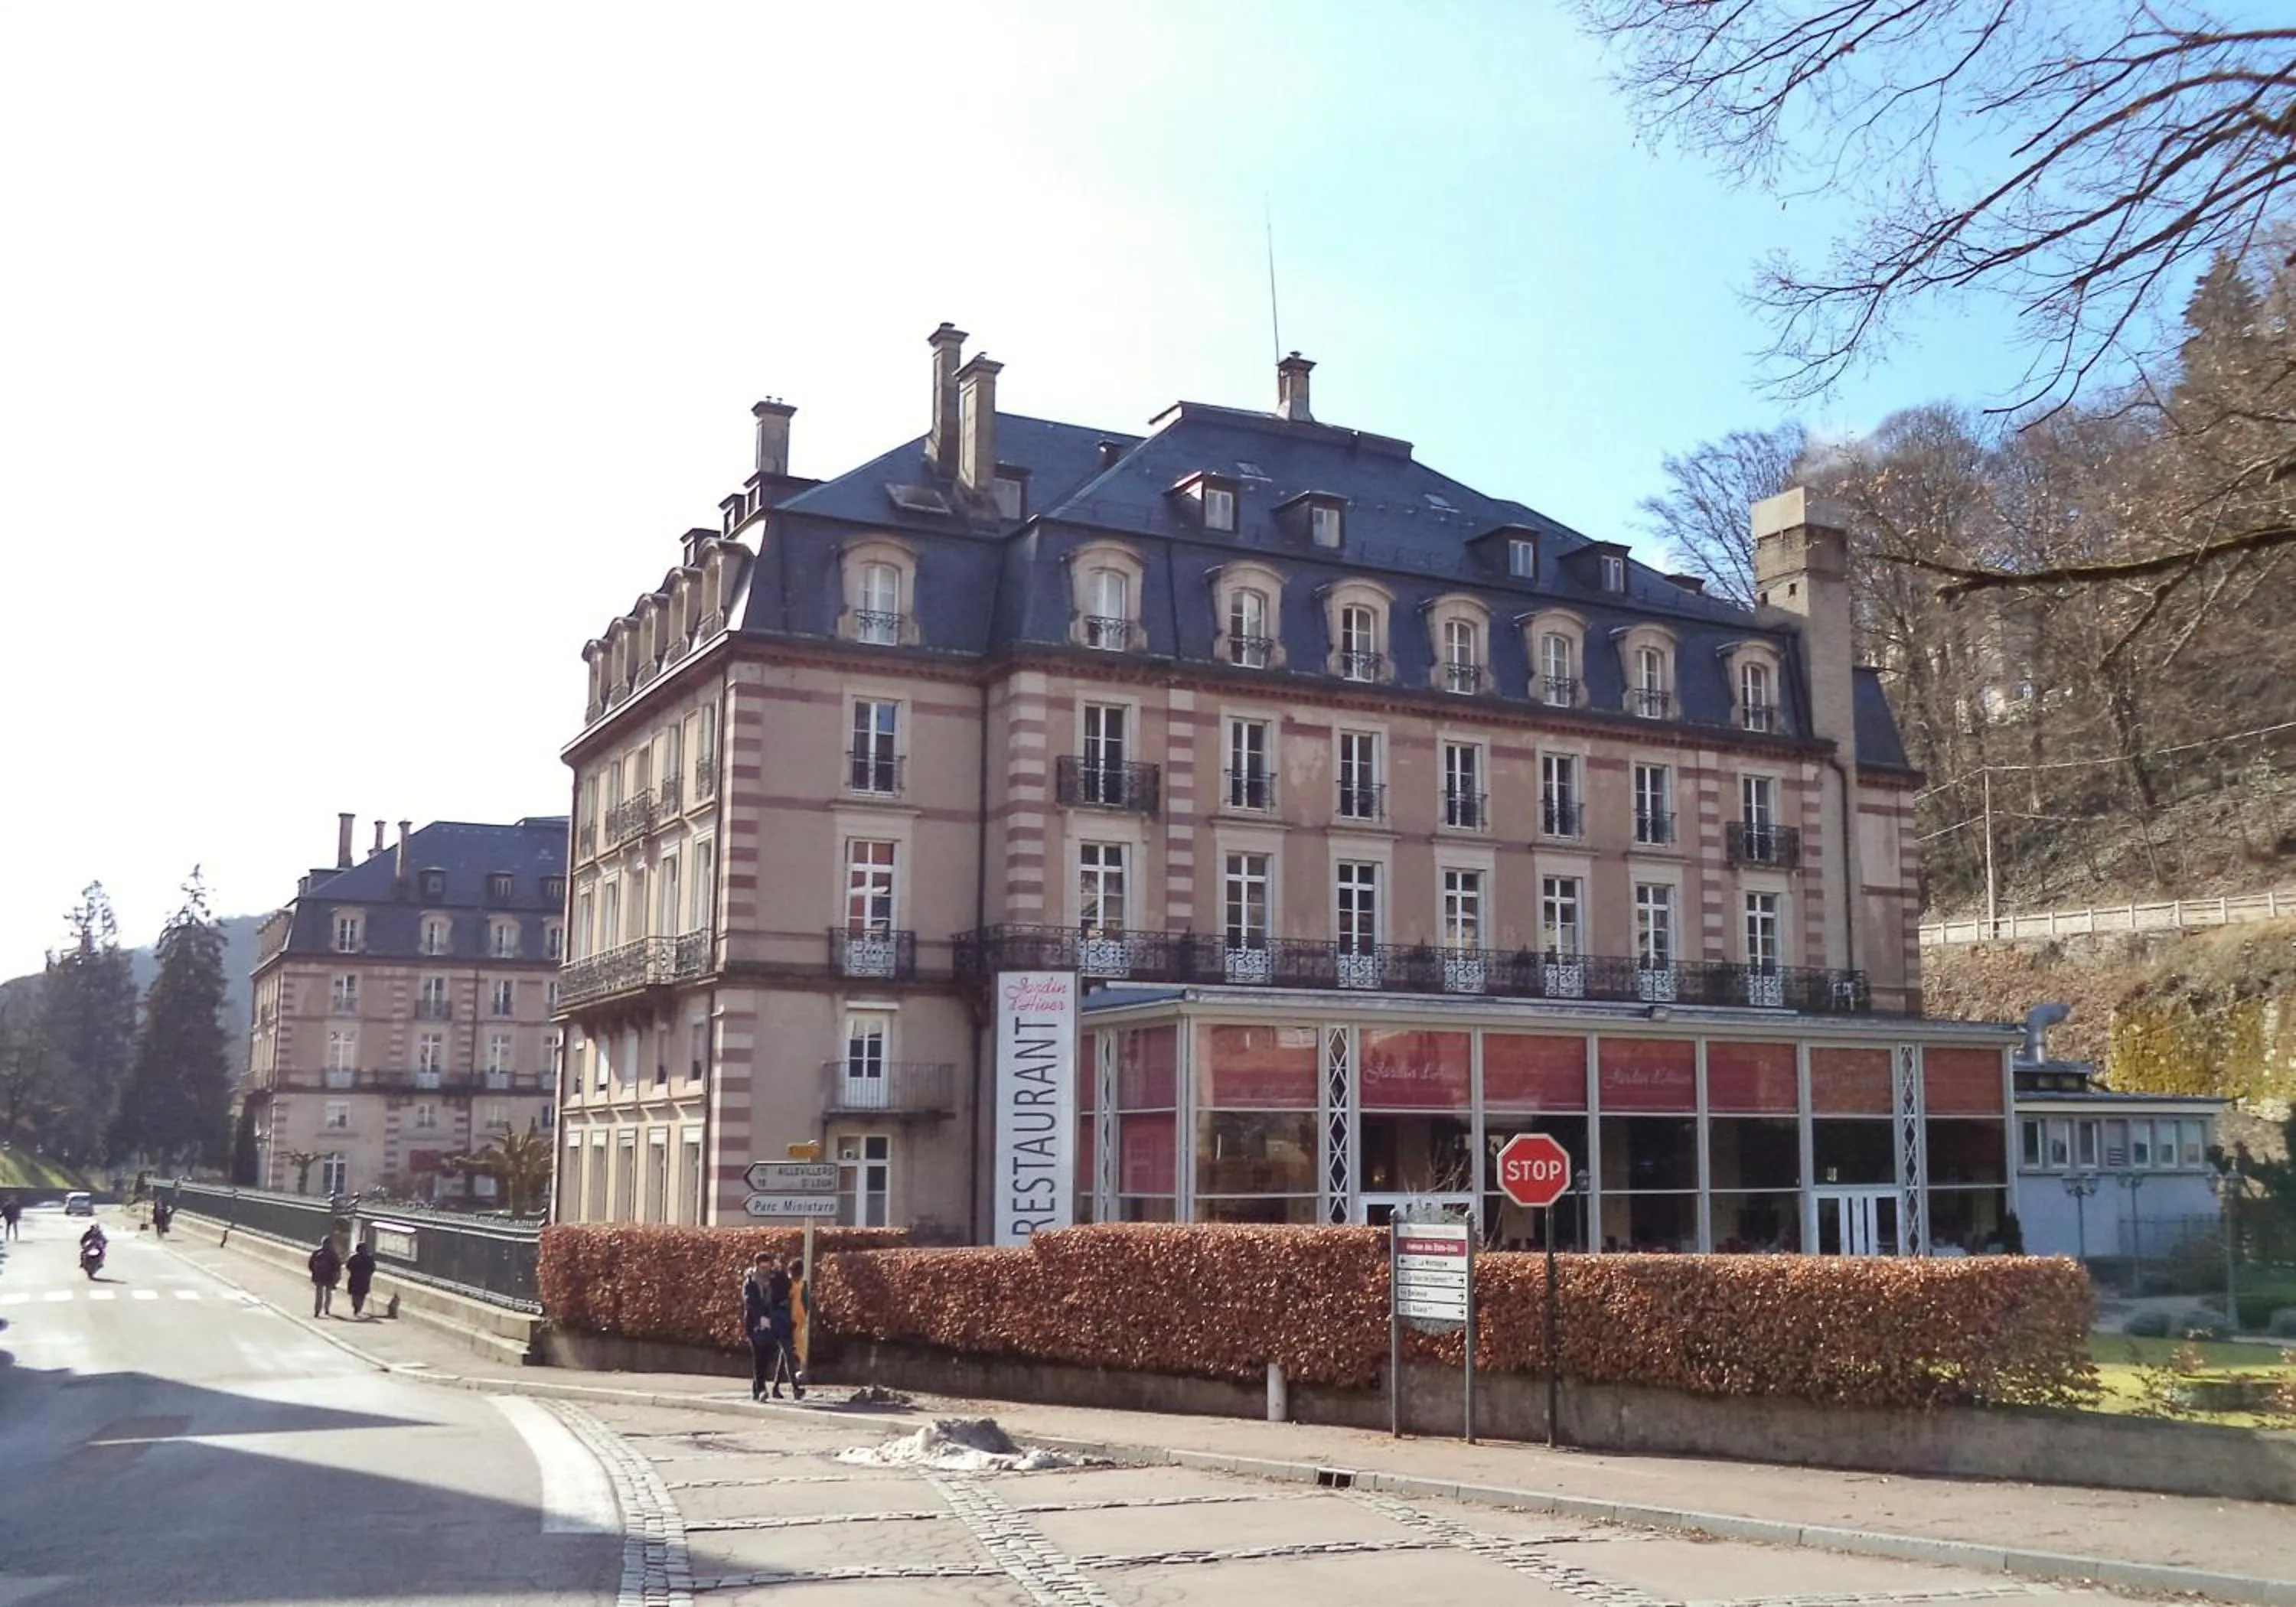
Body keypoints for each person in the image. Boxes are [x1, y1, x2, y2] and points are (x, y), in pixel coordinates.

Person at [741, 1253, 780, 1401]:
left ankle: (756, 1388)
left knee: (767, 1356)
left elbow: (783, 1289)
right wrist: (760, 1318)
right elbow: (749, 1301)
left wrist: (779, 1269)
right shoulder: (750, 1282)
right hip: (754, 1324)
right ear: (757, 1266)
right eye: (762, 1267)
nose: (765, 1270)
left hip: (770, 1323)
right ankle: (762, 1388)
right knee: (758, 1356)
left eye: (768, 1266)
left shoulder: (774, 1279)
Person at [308, 1236, 343, 1317]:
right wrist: (337, 1276)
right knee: (328, 1293)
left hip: (318, 1276)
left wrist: (314, 1272)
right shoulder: (333, 1254)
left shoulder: (317, 1252)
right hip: (329, 1276)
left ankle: (317, 1310)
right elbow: (337, 1266)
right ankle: (327, 1309)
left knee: (319, 1293)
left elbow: (310, 1265)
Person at [345, 1239, 376, 1319]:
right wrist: (369, 1273)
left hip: (355, 1279)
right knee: (361, 1295)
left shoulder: (354, 1258)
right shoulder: (369, 1258)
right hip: (364, 1279)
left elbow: (348, 1267)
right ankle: (358, 1308)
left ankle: (357, 1307)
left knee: (356, 1294)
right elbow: (373, 1268)